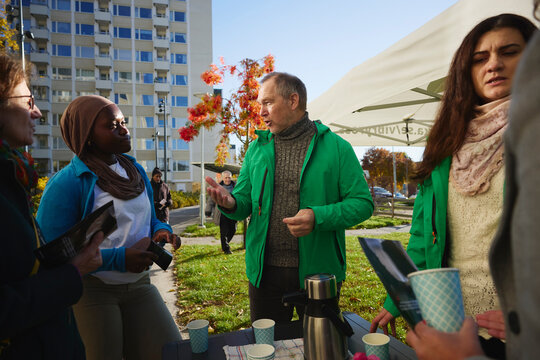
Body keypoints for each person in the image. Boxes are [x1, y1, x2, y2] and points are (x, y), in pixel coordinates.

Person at [369, 13, 537, 359]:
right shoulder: (446, 146)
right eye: (480, 58)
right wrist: (396, 301)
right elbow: (421, 237)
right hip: (452, 327)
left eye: (508, 52)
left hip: (524, 335)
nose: (493, 64)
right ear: (466, 71)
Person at [206, 72, 374, 323]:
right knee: (266, 347)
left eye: (268, 102)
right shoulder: (256, 149)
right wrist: (229, 202)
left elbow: (362, 204)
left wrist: (318, 217)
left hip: (319, 275)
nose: (261, 111)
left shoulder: (338, 148)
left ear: (293, 101)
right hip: (264, 274)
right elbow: (243, 202)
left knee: (318, 348)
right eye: (260, 104)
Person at [36, 95, 181, 360]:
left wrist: (161, 229)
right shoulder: (67, 184)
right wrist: (119, 259)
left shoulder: (134, 171)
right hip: (93, 291)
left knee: (172, 352)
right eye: (112, 125)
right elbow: (54, 255)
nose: (124, 129)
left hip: (139, 284)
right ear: (87, 135)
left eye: (123, 122)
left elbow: (149, 218)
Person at [0, 53, 103, 359]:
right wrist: (72, 272)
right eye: (28, 101)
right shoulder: (57, 181)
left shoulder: (11, 176)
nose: (39, 113)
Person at [207, 171, 237, 254]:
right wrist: (208, 211)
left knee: (233, 230)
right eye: (226, 178)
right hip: (222, 213)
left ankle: (226, 243)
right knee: (223, 231)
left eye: (229, 177)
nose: (227, 179)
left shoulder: (235, 186)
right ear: (222, 178)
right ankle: (226, 249)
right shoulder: (218, 187)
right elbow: (211, 200)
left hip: (232, 212)